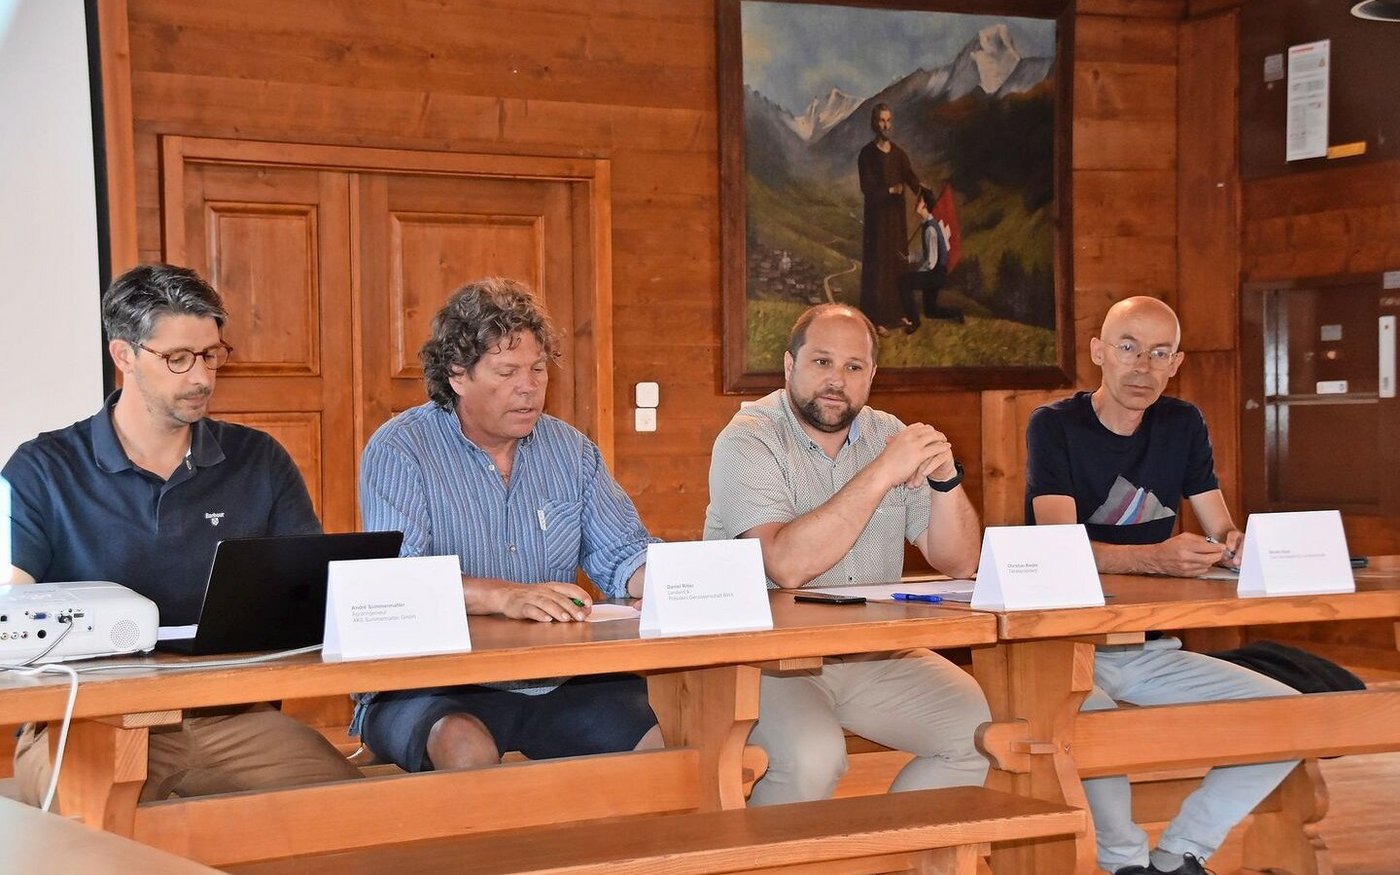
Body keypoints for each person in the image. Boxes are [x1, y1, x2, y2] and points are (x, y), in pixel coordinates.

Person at [3, 263, 362, 805]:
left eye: (212, 355)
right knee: (81, 838)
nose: (202, 377)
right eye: (178, 359)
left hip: (231, 718)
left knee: (353, 816)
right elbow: (11, 610)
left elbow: (315, 592)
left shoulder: (257, 460)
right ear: (123, 355)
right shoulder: (43, 469)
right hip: (83, 723)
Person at [1025, 295, 1300, 875]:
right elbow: (1058, 548)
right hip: (1072, 650)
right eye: (1128, 348)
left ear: (1177, 362)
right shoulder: (1054, 426)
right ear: (1099, 352)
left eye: (1159, 353)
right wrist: (1155, 559)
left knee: (1288, 715)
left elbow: (1219, 524)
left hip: (1152, 648)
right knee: (1089, 724)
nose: (1142, 367)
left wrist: (1233, 546)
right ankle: (1124, 864)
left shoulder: (1182, 423)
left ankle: (1180, 855)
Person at [354, 277, 662, 773]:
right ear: (457, 375)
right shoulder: (401, 449)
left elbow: (624, 553)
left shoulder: (571, 450)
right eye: (507, 371)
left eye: (538, 369)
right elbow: (399, 586)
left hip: (556, 676)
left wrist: (675, 584)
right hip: (435, 680)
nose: (529, 386)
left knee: (664, 747)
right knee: (464, 748)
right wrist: (504, 596)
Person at [704, 302, 989, 805]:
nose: (837, 380)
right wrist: (882, 473)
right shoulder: (748, 438)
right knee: (813, 757)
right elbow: (786, 565)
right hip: (764, 660)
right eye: (822, 362)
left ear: (871, 376)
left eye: (854, 367)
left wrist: (946, 481)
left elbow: (961, 562)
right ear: (790, 366)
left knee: (985, 733)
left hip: (875, 652)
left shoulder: (888, 433)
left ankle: (891, 854)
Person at [858, 103, 922, 335]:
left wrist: (923, 192)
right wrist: (890, 192)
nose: (885, 125)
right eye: (881, 120)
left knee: (897, 264)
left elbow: (911, 178)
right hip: (877, 222)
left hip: (896, 221)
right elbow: (867, 188)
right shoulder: (866, 154)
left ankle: (898, 314)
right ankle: (876, 319)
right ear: (874, 124)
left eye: (888, 120)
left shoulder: (899, 154)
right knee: (879, 267)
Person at [898, 186, 963, 333]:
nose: (916, 203)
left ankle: (914, 322)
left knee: (904, 280)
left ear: (925, 205)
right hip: (937, 274)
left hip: (935, 274)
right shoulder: (927, 226)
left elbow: (931, 262)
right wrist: (910, 258)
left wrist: (917, 273)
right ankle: (957, 313)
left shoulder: (930, 229)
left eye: (919, 201)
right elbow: (926, 253)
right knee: (931, 311)